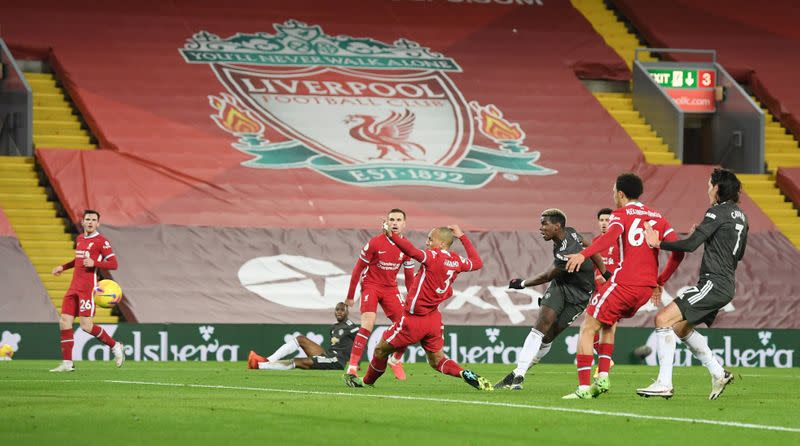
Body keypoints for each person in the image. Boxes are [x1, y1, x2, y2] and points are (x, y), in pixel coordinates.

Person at [562, 173, 685, 399]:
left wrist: (582, 254)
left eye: (613, 193)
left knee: (588, 328)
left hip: (624, 282)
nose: (613, 197)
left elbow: (609, 238)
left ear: (620, 194)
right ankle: (603, 378)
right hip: (645, 289)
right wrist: (660, 280)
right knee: (608, 325)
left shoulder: (620, 215)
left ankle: (582, 389)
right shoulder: (658, 217)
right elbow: (678, 251)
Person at [637, 168, 748, 400]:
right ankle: (718, 373)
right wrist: (711, 236)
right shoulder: (740, 216)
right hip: (726, 283)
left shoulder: (716, 212)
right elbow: (738, 254)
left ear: (718, 188)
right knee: (680, 328)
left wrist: (657, 243)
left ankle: (664, 383)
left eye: (710, 185)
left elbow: (689, 246)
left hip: (713, 283)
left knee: (662, 319)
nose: (708, 189)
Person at [345, 223, 492, 391]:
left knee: (380, 350)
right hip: (434, 320)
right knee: (438, 361)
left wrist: (391, 235)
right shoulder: (456, 260)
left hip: (413, 320)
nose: (427, 242)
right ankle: (463, 373)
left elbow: (411, 251)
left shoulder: (433, 257)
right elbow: (477, 263)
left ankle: (366, 381)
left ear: (442, 243)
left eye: (431, 239)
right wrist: (462, 237)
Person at [495, 209, 609, 390]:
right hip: (561, 287)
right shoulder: (570, 231)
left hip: (580, 296)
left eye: (544, 224)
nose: (541, 228)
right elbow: (592, 249)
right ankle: (519, 374)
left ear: (557, 226)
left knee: (548, 338)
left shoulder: (566, 252)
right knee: (540, 327)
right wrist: (605, 271)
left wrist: (522, 283)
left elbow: (547, 275)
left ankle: (518, 372)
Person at [344, 208, 416, 382]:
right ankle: (352, 367)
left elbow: (409, 279)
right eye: (392, 219)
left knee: (409, 327)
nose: (395, 223)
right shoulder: (375, 243)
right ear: (387, 222)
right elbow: (358, 269)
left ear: (404, 224)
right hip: (371, 286)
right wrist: (351, 295)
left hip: (391, 289)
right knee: (368, 324)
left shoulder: (407, 248)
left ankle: (395, 360)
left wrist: (414, 299)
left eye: (399, 220)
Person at [49, 209, 124, 372]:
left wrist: (96, 263)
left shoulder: (101, 241)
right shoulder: (80, 238)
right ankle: (67, 364)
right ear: (82, 222)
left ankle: (115, 345)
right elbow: (79, 260)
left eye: (93, 220)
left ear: (98, 223)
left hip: (87, 289)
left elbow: (114, 263)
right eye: (87, 219)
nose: (90, 222)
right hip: (73, 287)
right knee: (64, 322)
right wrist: (63, 267)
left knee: (86, 326)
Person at [248, 302, 358, 371]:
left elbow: (359, 344)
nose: (339, 312)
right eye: (337, 309)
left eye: (342, 310)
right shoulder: (334, 327)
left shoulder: (352, 327)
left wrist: (355, 364)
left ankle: (260, 365)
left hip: (337, 361)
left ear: (347, 312)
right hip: (328, 355)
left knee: (299, 361)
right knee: (301, 339)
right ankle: (267, 360)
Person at [592, 208, 619, 376]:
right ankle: (606, 362)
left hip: (615, 292)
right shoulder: (596, 241)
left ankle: (604, 369)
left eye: (607, 220)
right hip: (597, 293)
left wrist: (609, 278)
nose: (604, 223)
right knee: (592, 330)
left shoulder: (620, 243)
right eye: (601, 220)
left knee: (607, 328)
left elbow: (625, 266)